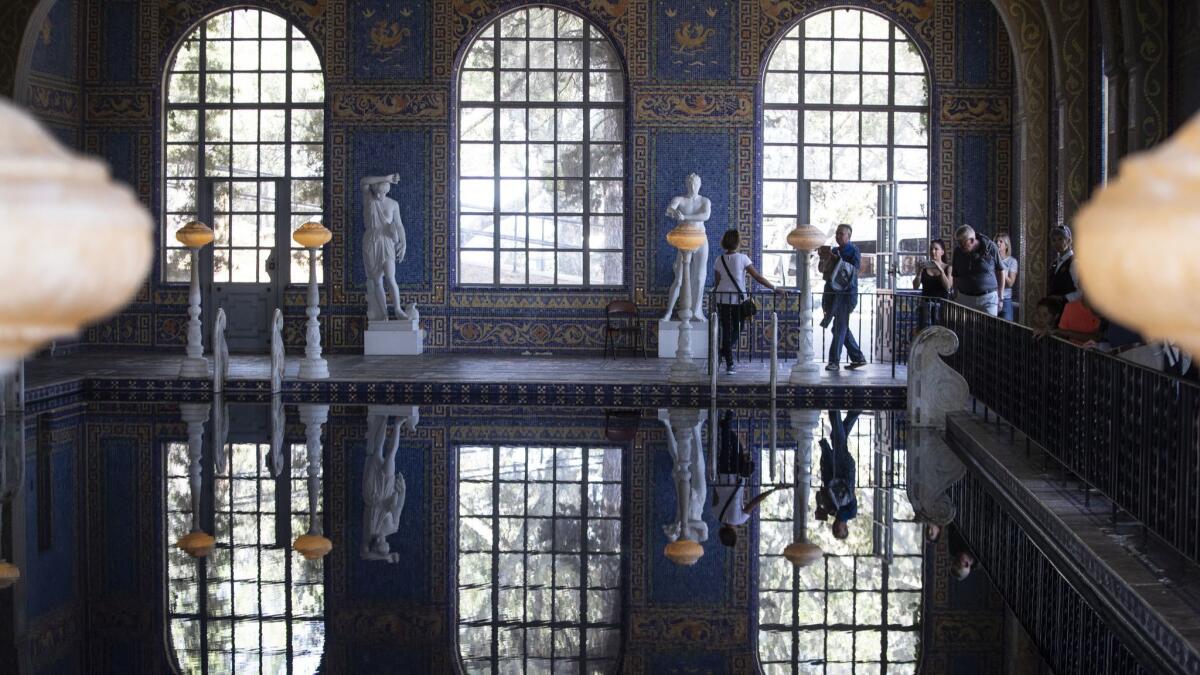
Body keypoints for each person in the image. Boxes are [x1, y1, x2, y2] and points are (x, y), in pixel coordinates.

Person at [711, 229, 784, 374]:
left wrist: (714, 298)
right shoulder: (743, 258)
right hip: (738, 301)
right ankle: (724, 354)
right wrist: (774, 288)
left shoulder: (719, 260)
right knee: (737, 329)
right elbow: (758, 277)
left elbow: (717, 282)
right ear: (737, 242)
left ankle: (728, 361)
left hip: (722, 300)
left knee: (726, 330)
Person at [711, 410, 787, 547]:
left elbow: (755, 501)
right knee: (726, 450)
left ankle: (727, 421)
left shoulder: (740, 519)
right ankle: (724, 426)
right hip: (722, 477)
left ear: (734, 534)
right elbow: (715, 494)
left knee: (737, 449)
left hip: (736, 477)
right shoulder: (716, 515)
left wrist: (773, 490)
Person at [662, 173, 712, 323]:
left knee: (699, 277)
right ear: (686, 185)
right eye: (690, 185)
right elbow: (669, 209)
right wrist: (674, 212)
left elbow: (706, 216)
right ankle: (669, 312)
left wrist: (685, 218)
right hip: (684, 241)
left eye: (695, 185)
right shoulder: (680, 199)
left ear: (699, 185)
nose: (693, 188)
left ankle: (697, 311)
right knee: (678, 279)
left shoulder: (705, 200)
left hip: (700, 239)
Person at [818, 225, 866, 371]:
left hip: (846, 295)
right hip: (832, 294)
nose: (838, 236)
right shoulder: (833, 250)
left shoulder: (854, 251)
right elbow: (823, 271)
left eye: (841, 234)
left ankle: (834, 362)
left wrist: (837, 260)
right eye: (837, 233)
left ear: (848, 236)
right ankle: (858, 357)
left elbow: (854, 271)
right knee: (839, 328)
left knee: (839, 327)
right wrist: (824, 258)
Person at [814, 409, 861, 540]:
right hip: (844, 470)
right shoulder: (850, 513)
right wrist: (831, 509)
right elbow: (848, 497)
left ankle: (855, 411)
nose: (835, 527)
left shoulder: (832, 511)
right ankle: (834, 405)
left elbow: (821, 493)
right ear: (845, 528)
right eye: (838, 530)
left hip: (835, 469)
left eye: (834, 530)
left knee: (839, 437)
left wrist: (820, 506)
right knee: (838, 439)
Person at [950, 225, 1005, 316]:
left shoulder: (991, 247)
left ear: (972, 240)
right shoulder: (958, 252)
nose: (959, 246)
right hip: (964, 298)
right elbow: (955, 275)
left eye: (962, 243)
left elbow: (1001, 271)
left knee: (988, 328)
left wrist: (1001, 297)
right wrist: (955, 294)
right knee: (964, 329)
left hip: (988, 299)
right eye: (958, 243)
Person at [912, 238, 952, 328]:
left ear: (942, 252)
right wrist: (919, 272)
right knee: (925, 332)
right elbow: (915, 286)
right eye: (931, 249)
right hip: (926, 305)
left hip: (942, 306)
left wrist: (941, 270)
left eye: (936, 249)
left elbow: (948, 287)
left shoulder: (948, 268)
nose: (933, 251)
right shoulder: (925, 267)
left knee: (940, 331)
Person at [1048, 225, 1081, 302]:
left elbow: (1082, 292)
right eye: (1053, 240)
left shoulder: (1074, 263)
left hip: (1070, 308)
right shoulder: (1055, 263)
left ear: (1069, 241)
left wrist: (1064, 298)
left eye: (1060, 239)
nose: (1057, 243)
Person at [996, 233, 1019, 320]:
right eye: (996, 241)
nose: (997, 243)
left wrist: (1001, 271)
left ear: (1006, 246)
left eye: (1000, 241)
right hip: (992, 299)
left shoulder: (1012, 261)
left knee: (1007, 329)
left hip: (1006, 300)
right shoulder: (991, 260)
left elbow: (1010, 284)